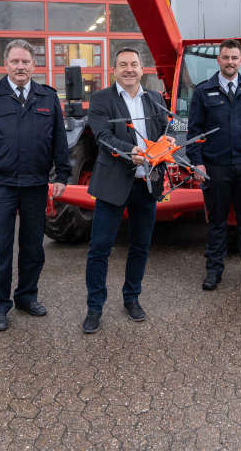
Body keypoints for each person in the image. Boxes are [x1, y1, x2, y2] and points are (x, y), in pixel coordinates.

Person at [0, 40, 70, 332]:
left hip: (36, 184)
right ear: (6, 64)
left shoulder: (47, 97)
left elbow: (60, 140)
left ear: (33, 65)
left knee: (33, 246)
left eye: (25, 62)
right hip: (0, 186)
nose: (20, 67)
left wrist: (61, 175)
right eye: (15, 62)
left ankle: (26, 297)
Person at [81, 48, 169, 333]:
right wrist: (127, 150)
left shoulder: (155, 99)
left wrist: (173, 139)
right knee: (99, 249)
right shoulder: (101, 99)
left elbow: (176, 125)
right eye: (123, 65)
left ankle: (132, 298)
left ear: (142, 69)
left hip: (147, 183)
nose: (129, 69)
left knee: (141, 246)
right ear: (114, 70)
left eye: (134, 64)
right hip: (112, 184)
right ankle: (95, 308)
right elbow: (102, 136)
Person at [188, 39, 241, 291]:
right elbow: (195, 131)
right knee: (217, 223)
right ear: (219, 60)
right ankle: (214, 271)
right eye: (226, 57)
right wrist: (198, 163)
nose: (230, 62)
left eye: (235, 58)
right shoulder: (203, 91)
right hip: (216, 168)